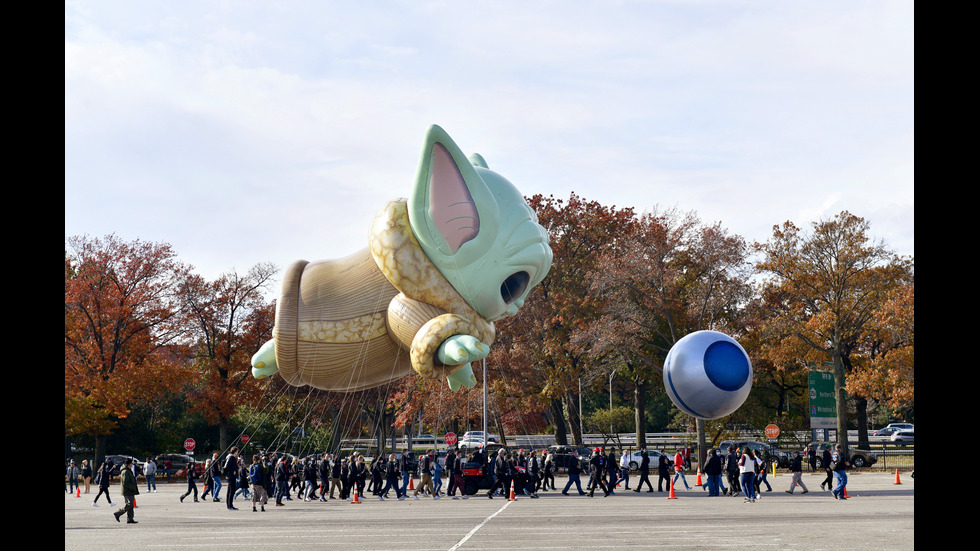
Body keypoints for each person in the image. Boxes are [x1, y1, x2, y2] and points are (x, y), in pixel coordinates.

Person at [113, 458, 140, 524]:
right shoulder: (125, 471)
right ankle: (118, 513)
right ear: (129, 464)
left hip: (130, 490)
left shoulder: (128, 470)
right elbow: (126, 482)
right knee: (129, 504)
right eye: (131, 463)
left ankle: (130, 518)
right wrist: (132, 488)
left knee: (131, 505)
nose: (132, 464)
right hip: (127, 491)